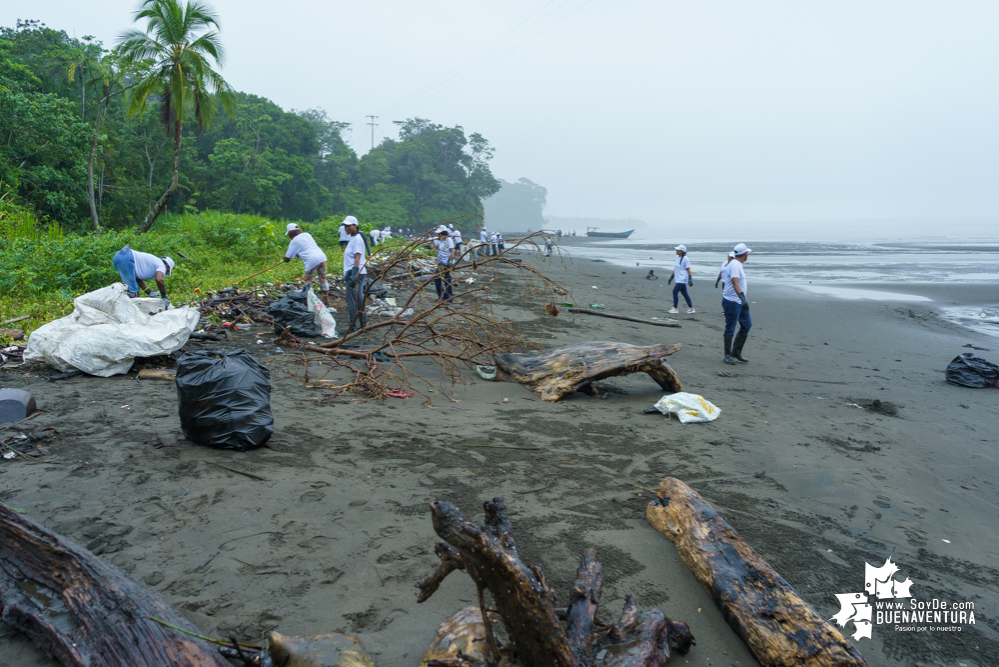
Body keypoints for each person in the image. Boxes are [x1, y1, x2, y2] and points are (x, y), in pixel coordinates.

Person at [283, 222, 329, 305]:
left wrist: (286, 260)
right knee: (323, 278)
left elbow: (288, 256)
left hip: (312, 260)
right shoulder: (307, 234)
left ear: (290, 233)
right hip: (322, 257)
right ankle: (326, 299)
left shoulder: (294, 241)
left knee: (307, 281)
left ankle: (309, 302)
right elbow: (306, 246)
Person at [722, 243, 752, 364]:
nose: (748, 255)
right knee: (730, 328)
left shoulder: (737, 264)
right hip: (732, 302)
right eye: (747, 253)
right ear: (745, 254)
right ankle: (727, 355)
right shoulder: (734, 265)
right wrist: (743, 298)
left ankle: (736, 351)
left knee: (747, 325)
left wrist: (743, 300)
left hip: (739, 301)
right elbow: (735, 283)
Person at [342, 218, 370, 333]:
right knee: (358, 300)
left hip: (356, 273)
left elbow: (357, 257)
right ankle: (363, 324)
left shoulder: (357, 239)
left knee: (351, 301)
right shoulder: (352, 238)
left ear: (355, 225)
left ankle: (352, 326)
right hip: (356, 272)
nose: (346, 228)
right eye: (345, 226)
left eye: (349, 226)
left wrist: (354, 274)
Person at [667, 245, 694, 314]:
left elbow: (688, 269)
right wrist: (671, 277)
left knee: (674, 292)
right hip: (678, 278)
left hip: (682, 279)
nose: (676, 251)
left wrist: (690, 279)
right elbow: (675, 268)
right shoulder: (677, 257)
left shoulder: (685, 258)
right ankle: (691, 308)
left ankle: (675, 308)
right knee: (685, 294)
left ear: (682, 251)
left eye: (678, 250)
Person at [432, 225, 455, 301]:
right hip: (440, 263)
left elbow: (452, 250)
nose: (438, 235)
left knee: (446, 279)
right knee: (437, 279)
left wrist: (451, 260)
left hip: (447, 262)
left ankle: (448, 297)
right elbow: (436, 248)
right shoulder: (438, 240)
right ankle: (442, 295)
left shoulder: (448, 240)